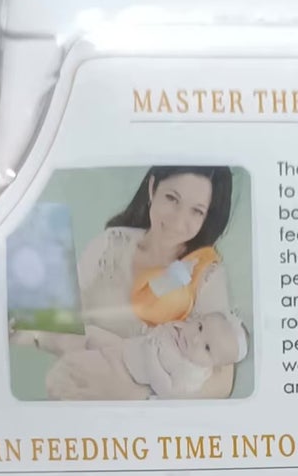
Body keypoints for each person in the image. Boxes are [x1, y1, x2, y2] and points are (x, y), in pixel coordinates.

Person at [14, 167, 241, 400]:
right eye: (172, 198)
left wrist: (139, 394)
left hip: (148, 418)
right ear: (152, 188)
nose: (178, 220)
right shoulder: (110, 244)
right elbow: (53, 325)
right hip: (79, 397)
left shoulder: (205, 273)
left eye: (196, 211)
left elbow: (222, 382)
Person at [20, 310, 248, 400]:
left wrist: (151, 359)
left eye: (207, 348)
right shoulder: (184, 333)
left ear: (213, 364)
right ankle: (37, 334)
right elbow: (162, 330)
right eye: (200, 327)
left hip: (128, 373)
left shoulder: (190, 373)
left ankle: (61, 384)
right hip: (125, 347)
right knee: (89, 333)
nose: (196, 339)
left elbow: (167, 391)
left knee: (83, 367)